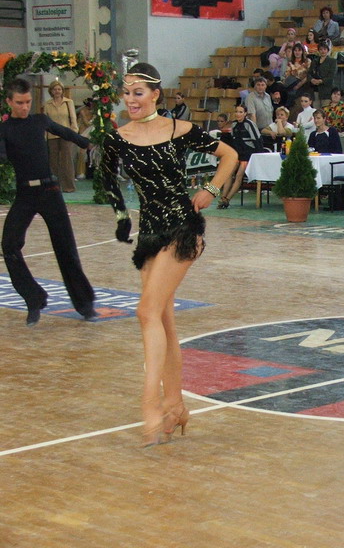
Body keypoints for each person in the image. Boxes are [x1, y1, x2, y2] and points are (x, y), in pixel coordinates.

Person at [99, 63, 238, 446]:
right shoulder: (118, 138)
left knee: (146, 311)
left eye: (138, 93)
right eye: (127, 93)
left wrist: (211, 189)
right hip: (150, 234)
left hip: (182, 227)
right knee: (162, 318)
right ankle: (175, 405)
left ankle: (150, 403)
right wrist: (120, 215)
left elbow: (230, 155)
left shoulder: (180, 129)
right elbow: (106, 179)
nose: (131, 100)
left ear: (155, 94)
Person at [0, 77, 95, 326]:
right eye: (19, 102)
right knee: (9, 245)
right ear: (9, 101)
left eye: (28, 102)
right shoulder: (4, 129)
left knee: (66, 247)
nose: (25, 107)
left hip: (50, 191)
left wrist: (87, 143)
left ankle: (85, 305)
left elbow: (65, 132)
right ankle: (34, 299)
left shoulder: (40, 120)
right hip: (25, 194)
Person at [218, 104, 263, 209]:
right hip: (238, 153)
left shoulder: (249, 124)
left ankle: (227, 199)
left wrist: (258, 156)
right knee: (228, 173)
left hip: (248, 153)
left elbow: (257, 140)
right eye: (236, 112)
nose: (238, 114)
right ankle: (223, 198)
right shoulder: (233, 124)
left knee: (239, 175)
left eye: (240, 112)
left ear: (245, 113)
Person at [43, 79, 79, 193]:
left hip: (66, 135)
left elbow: (73, 118)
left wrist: (73, 133)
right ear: (51, 91)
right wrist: (44, 136)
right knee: (53, 162)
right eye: (55, 89)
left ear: (62, 91)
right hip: (52, 136)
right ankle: (54, 187)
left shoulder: (69, 102)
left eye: (59, 89)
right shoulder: (47, 104)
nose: (57, 91)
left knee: (67, 161)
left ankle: (69, 186)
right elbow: (45, 122)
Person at [308, 40, 337, 107]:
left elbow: (331, 76)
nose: (323, 51)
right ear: (318, 50)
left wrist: (321, 81)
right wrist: (312, 80)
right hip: (315, 90)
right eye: (321, 49)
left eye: (324, 49)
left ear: (327, 50)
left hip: (326, 90)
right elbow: (309, 73)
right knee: (316, 110)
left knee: (325, 109)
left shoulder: (332, 61)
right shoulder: (314, 61)